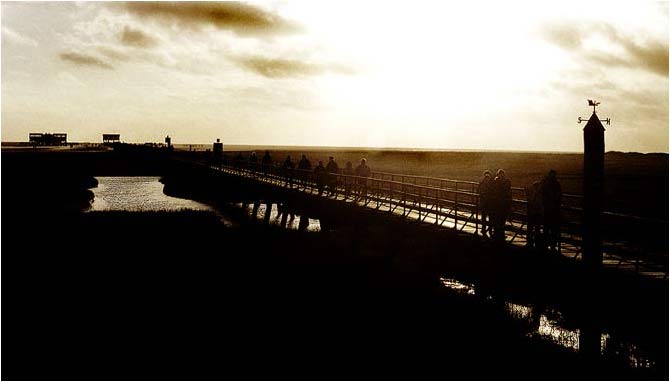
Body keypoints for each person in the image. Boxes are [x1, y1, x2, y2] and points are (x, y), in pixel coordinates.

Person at [540, 170, 562, 252]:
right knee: (553, 229)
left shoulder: (546, 184)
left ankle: (547, 244)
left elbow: (542, 196)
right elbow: (559, 195)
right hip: (553, 210)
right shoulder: (557, 184)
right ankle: (552, 244)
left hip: (548, 210)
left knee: (547, 228)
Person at [492, 169, 511, 242]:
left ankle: (498, 233)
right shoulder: (506, 181)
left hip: (499, 203)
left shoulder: (496, 181)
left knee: (499, 219)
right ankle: (500, 233)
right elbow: (507, 190)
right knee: (501, 219)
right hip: (502, 203)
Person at [525, 181, 544, 249]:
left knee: (532, 228)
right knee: (536, 228)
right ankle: (535, 241)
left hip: (533, 213)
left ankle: (530, 241)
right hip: (535, 213)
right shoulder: (538, 195)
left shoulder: (534, 194)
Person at [478, 170, 494, 237]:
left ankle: (484, 229)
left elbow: (478, 191)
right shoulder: (492, 183)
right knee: (490, 216)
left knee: (484, 216)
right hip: (489, 202)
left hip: (484, 202)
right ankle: (489, 229)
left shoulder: (481, 183)